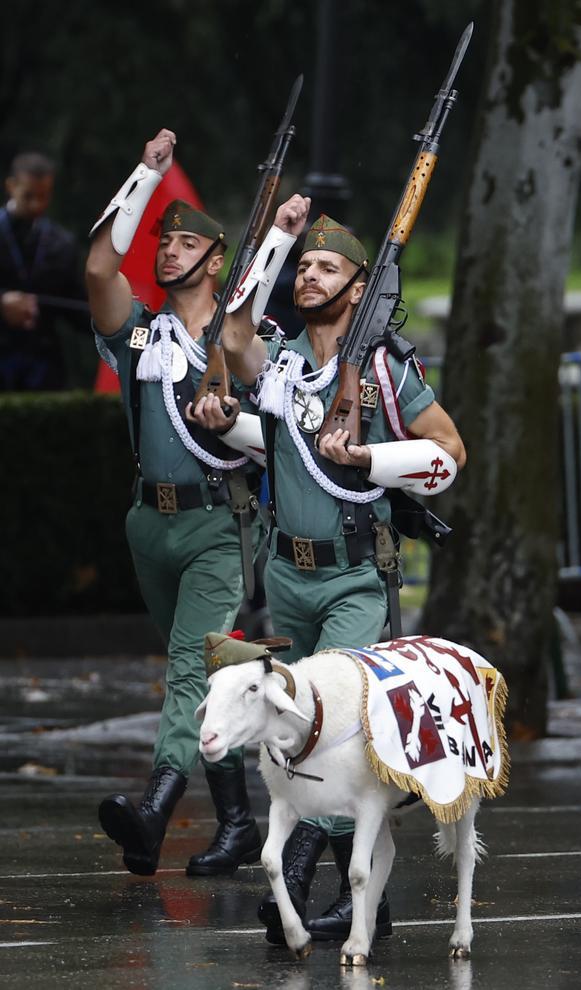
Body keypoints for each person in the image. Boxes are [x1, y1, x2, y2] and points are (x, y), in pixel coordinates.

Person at [191, 194, 466, 942]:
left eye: (326, 267)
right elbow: (236, 331)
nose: (310, 277)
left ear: (359, 286)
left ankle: (318, 873)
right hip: (286, 574)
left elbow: (449, 451)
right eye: (304, 268)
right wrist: (276, 240)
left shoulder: (383, 367)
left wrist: (372, 456)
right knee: (296, 729)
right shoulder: (279, 361)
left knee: (339, 727)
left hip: (353, 576)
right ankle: (364, 896)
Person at [86, 128, 268, 878]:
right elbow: (100, 263)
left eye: (185, 242)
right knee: (207, 674)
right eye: (163, 241)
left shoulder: (241, 337)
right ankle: (236, 822)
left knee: (191, 671)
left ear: (215, 259)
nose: (167, 251)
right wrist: (142, 174)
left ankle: (155, 809)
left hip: (217, 526)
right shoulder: (139, 334)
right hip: (147, 525)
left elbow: (269, 402)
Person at [0, 151, 88, 390]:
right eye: (28, 196)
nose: (37, 205)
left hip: (43, 370)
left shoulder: (62, 243)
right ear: (11, 186)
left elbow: (77, 308)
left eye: (44, 196)